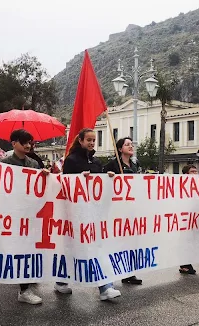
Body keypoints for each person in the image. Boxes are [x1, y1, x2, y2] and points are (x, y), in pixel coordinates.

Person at [0, 130, 48, 305]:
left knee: (25, 251)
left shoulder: (33, 163)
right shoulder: (4, 163)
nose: (28, 145)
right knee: (2, 248)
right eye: (24, 142)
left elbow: (40, 187)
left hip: (27, 215)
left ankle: (24, 290)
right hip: (8, 215)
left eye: (29, 142)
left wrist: (45, 176)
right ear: (14, 143)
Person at [55, 128, 122, 301]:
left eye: (94, 140)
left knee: (96, 248)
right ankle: (61, 281)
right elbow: (66, 184)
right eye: (89, 140)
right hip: (76, 213)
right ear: (81, 141)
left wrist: (108, 178)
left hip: (93, 213)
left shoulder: (97, 161)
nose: (92, 142)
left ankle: (106, 288)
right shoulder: (71, 160)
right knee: (72, 248)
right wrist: (78, 178)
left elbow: (99, 187)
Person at [103, 137, 143, 285]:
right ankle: (110, 272)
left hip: (131, 208)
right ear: (120, 149)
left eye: (132, 144)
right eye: (127, 145)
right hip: (116, 210)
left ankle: (129, 273)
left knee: (130, 242)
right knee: (115, 242)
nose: (131, 146)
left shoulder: (135, 164)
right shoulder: (111, 165)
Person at [179, 164, 199, 275]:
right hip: (184, 219)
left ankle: (185, 263)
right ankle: (185, 264)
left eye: (196, 171)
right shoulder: (180, 185)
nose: (195, 173)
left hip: (193, 218)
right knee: (185, 241)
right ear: (186, 174)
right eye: (193, 171)